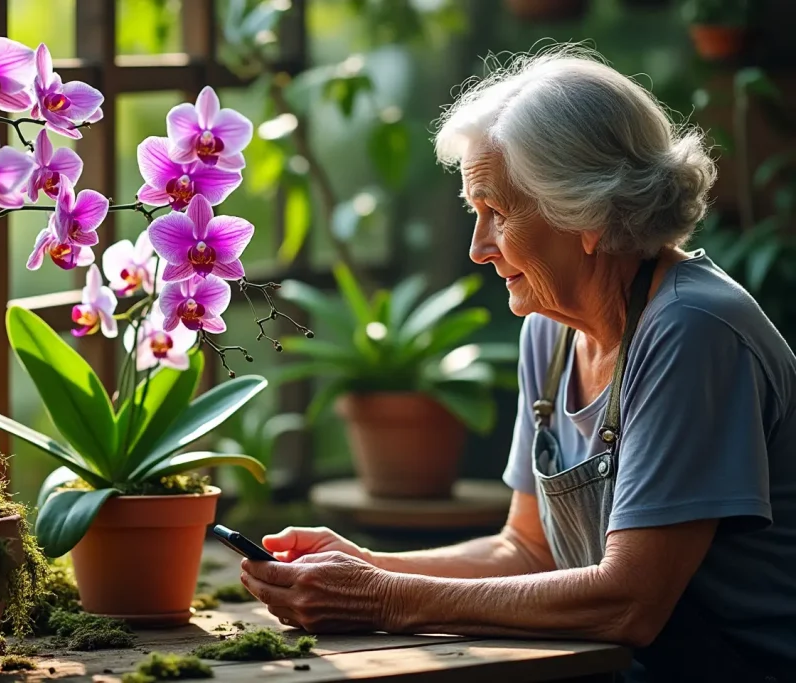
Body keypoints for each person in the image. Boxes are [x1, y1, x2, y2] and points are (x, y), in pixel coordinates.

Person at [239, 47, 796, 683]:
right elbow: (528, 550)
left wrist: (385, 598)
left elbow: (630, 602)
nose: (478, 248)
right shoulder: (551, 328)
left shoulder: (691, 330)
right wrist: (369, 565)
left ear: (587, 212)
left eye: (497, 214)